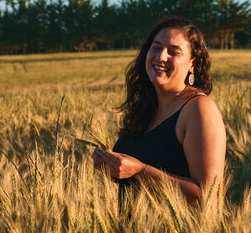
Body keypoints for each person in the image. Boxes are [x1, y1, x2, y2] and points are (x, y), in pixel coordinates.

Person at [92, 17, 226, 206]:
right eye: (156, 48)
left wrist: (141, 171)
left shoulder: (198, 109)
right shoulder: (146, 106)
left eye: (173, 51)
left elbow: (207, 196)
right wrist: (111, 166)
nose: (161, 56)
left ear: (192, 64)